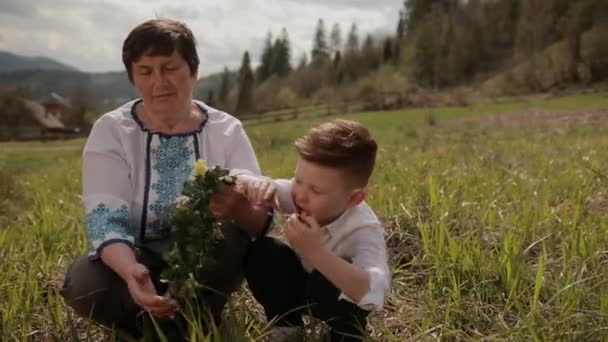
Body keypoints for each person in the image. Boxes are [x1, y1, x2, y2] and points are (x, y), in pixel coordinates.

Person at [59, 18, 272, 338]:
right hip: (136, 253)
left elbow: (261, 217)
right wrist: (131, 271)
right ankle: (147, 320)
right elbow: (105, 216)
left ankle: (199, 315)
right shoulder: (112, 131)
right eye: (145, 71)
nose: (159, 81)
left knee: (230, 233)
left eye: (170, 67)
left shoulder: (226, 130)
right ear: (133, 78)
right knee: (85, 284)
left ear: (193, 71)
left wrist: (238, 207)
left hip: (205, 258)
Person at [239, 119, 391, 342]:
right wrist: (257, 183)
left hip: (335, 299)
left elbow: (375, 291)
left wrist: (316, 252)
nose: (300, 194)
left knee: (328, 278)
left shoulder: (364, 230)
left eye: (316, 190)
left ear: (355, 198)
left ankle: (345, 334)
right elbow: (246, 180)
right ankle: (286, 326)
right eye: (298, 180)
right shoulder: (300, 195)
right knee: (264, 251)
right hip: (300, 285)